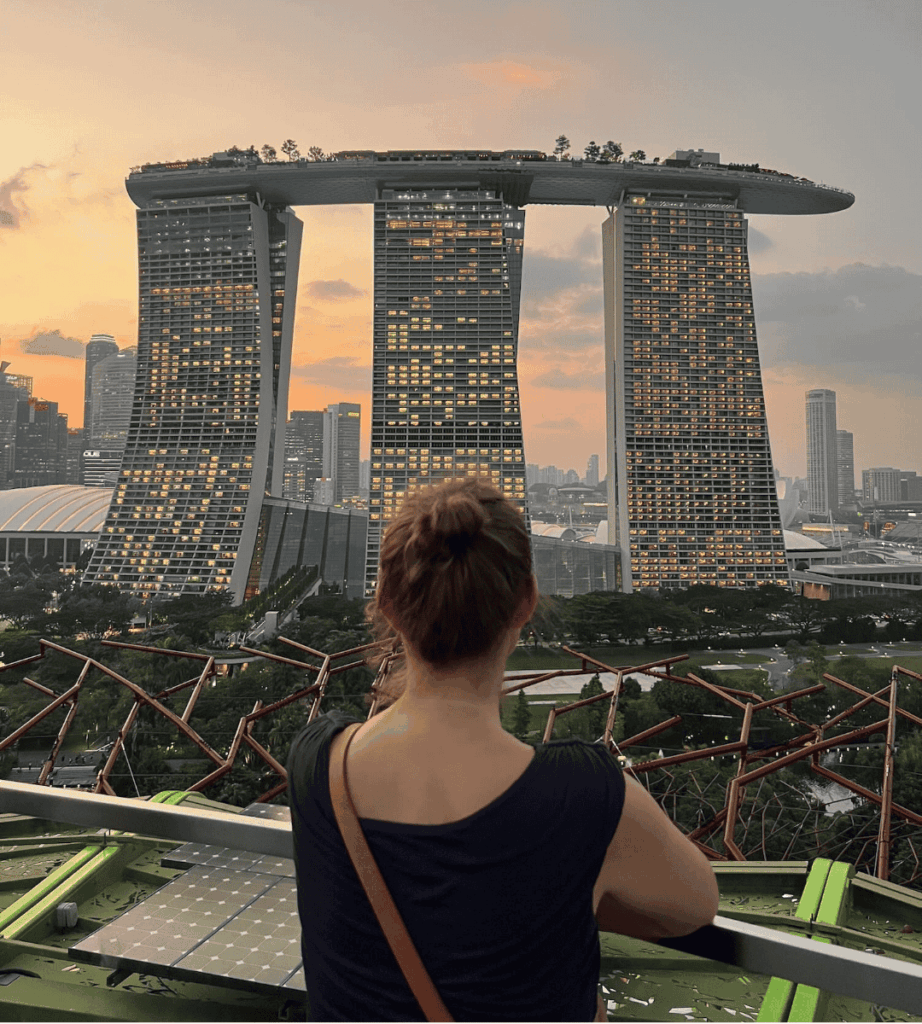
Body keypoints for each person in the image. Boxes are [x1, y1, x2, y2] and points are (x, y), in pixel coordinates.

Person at [287, 477, 718, 1021]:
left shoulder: (316, 765)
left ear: (387, 606)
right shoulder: (583, 798)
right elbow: (695, 907)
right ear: (526, 604)